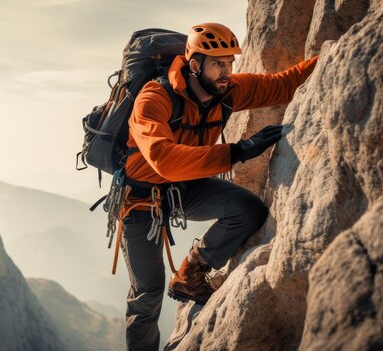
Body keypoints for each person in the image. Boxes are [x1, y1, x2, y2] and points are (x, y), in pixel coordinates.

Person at [120, 22, 318, 350]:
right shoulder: (154, 98)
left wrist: (333, 53)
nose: (227, 72)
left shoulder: (227, 90)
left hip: (183, 188)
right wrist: (237, 151)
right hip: (142, 198)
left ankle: (191, 274)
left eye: (230, 63)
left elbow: (283, 85)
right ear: (194, 64)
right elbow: (162, 158)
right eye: (218, 64)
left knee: (247, 210)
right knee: (147, 294)